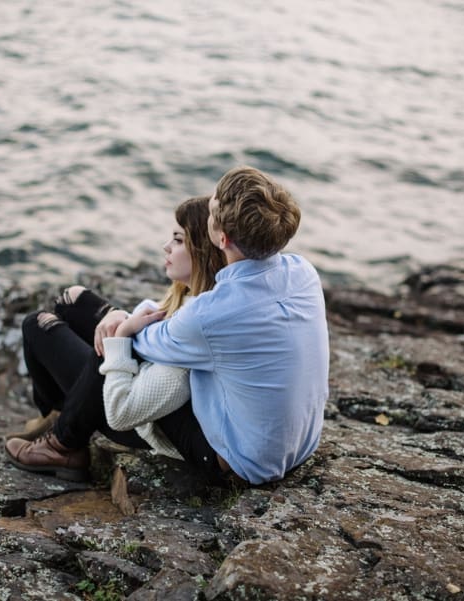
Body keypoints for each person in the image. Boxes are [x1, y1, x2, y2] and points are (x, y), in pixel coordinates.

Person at [100, 166, 330, 485]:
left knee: (108, 354)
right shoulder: (303, 272)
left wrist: (125, 324)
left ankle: (64, 440)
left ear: (220, 237)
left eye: (212, 210)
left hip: (241, 463)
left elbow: (148, 340)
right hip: (300, 447)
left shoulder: (212, 313)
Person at [4, 196, 226, 481]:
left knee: (36, 325)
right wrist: (117, 315)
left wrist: (119, 338)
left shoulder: (195, 323)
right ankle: (61, 411)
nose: (166, 247)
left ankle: (63, 443)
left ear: (203, 250)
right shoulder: (191, 296)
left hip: (136, 415)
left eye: (178, 240)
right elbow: (153, 318)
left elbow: (130, 406)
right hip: (140, 375)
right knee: (71, 299)